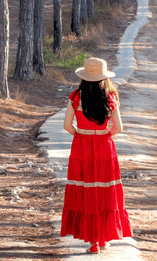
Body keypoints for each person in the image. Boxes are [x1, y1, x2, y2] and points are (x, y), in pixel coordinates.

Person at [60, 57, 133, 254]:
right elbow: (118, 127)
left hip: (81, 146)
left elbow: (67, 125)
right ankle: (103, 238)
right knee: (104, 190)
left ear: (84, 76)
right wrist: (103, 135)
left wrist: (80, 135)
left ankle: (92, 242)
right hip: (104, 146)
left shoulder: (75, 96)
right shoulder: (110, 97)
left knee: (85, 189)